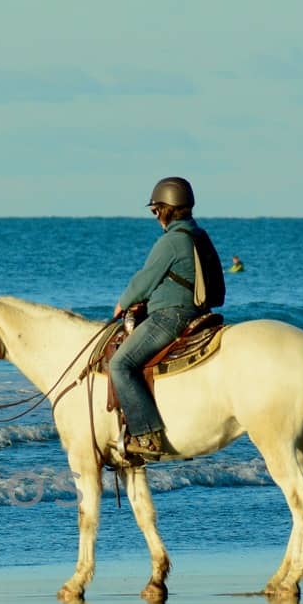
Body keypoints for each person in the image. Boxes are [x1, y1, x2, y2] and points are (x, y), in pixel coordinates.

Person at [111, 176, 221, 460]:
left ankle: (147, 437)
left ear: (168, 209)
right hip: (199, 313)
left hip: (172, 316)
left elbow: (145, 281)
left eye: (156, 210)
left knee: (121, 364)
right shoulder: (199, 235)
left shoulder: (171, 241)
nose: (156, 216)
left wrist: (123, 303)